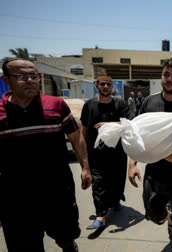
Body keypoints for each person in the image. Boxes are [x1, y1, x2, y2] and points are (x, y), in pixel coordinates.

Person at [0, 58, 92, 252]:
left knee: (66, 235)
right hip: (15, 197)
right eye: (22, 76)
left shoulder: (56, 105)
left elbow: (76, 138)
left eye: (34, 76)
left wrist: (85, 168)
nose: (30, 80)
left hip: (58, 191)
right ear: (5, 79)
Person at [128, 58, 172, 252]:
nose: (169, 79)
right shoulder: (149, 102)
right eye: (166, 74)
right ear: (161, 76)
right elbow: (135, 133)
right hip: (155, 171)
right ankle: (169, 217)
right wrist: (132, 164)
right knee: (152, 212)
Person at [80, 75, 132, 230]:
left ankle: (115, 200)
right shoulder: (89, 105)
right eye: (102, 84)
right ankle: (100, 216)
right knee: (98, 184)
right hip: (95, 154)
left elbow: (129, 123)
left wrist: (108, 124)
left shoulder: (120, 104)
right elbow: (84, 128)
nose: (105, 86)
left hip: (117, 153)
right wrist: (82, 150)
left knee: (116, 182)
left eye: (108, 84)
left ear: (112, 87)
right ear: (96, 86)